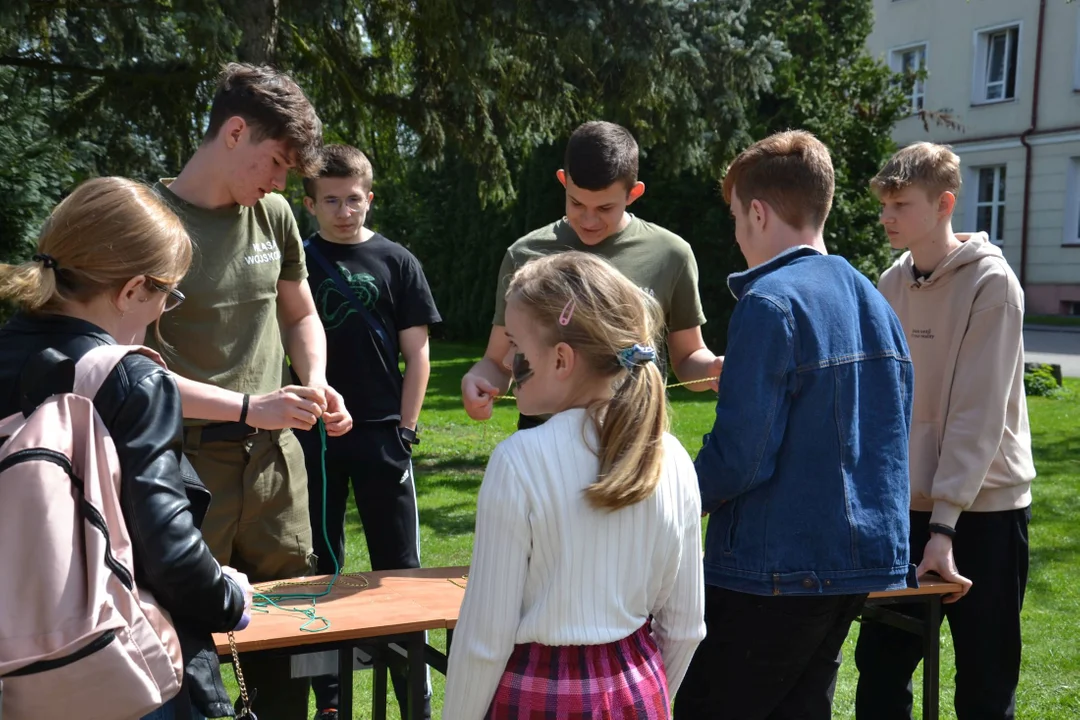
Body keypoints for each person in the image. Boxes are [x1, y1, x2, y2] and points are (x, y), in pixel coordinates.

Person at [673, 130, 915, 720]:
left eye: (734, 217)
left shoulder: (769, 303)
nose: (735, 234)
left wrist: (665, 498)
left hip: (772, 566)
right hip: (855, 563)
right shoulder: (875, 300)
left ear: (757, 212)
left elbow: (741, 455)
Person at [0, 176, 254, 720]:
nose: (162, 311)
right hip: (116, 666)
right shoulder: (131, 381)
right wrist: (231, 598)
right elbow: (169, 551)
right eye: (168, 294)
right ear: (134, 289)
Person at [149, 63, 352, 719]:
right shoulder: (147, 224)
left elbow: (299, 316)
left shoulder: (274, 217)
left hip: (275, 473)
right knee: (185, 650)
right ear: (234, 132)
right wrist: (247, 406)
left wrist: (313, 383)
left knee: (290, 645)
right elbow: (129, 373)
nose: (279, 182)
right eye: (275, 163)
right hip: (181, 472)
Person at [444, 251, 706, 719]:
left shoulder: (519, 460)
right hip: (639, 690)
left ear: (562, 359)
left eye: (518, 350)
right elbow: (684, 627)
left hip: (538, 695)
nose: (508, 366)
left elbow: (485, 637)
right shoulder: (674, 458)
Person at [855, 142, 1035, 720]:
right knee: (880, 672)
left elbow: (975, 415)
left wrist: (944, 525)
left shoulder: (993, 285)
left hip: (984, 513)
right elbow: (882, 402)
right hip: (906, 509)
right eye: (885, 203)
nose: (887, 216)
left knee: (985, 679)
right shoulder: (891, 281)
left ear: (944, 204)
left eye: (900, 204)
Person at [297, 144, 441, 720]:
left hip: (383, 434)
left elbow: (419, 354)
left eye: (353, 198)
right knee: (314, 570)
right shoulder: (298, 261)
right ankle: (328, 700)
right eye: (329, 200)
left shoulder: (397, 261)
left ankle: (413, 700)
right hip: (314, 433)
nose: (343, 210)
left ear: (369, 197)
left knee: (398, 572)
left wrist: (405, 428)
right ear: (309, 205)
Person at [460, 120, 723, 430]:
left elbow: (688, 356)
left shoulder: (671, 254)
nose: (588, 219)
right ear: (563, 181)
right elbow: (498, 360)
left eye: (604, 208)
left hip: (634, 438)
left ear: (633, 194)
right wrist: (479, 380)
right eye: (576, 202)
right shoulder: (525, 254)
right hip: (544, 440)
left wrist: (713, 368)